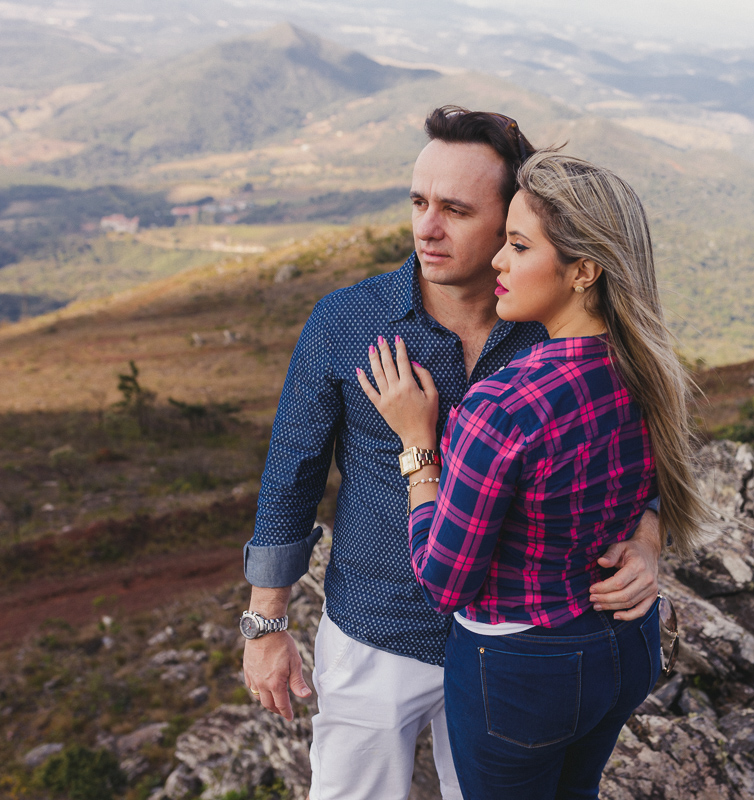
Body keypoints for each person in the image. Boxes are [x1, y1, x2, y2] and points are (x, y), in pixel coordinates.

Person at [241, 108, 664, 800]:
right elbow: (290, 477)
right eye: (418, 203)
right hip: (376, 632)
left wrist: (646, 538)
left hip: (513, 650)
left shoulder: (558, 331)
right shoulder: (347, 323)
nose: (426, 228)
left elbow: (634, 456)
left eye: (456, 210)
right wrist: (266, 623)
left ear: (512, 220)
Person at [356, 150, 713, 799]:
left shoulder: (501, 408)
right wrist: (651, 530)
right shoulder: (646, 372)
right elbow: (646, 485)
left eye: (518, 246)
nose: (497, 260)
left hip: (520, 673)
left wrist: (417, 445)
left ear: (582, 270)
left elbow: (445, 578)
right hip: (625, 648)